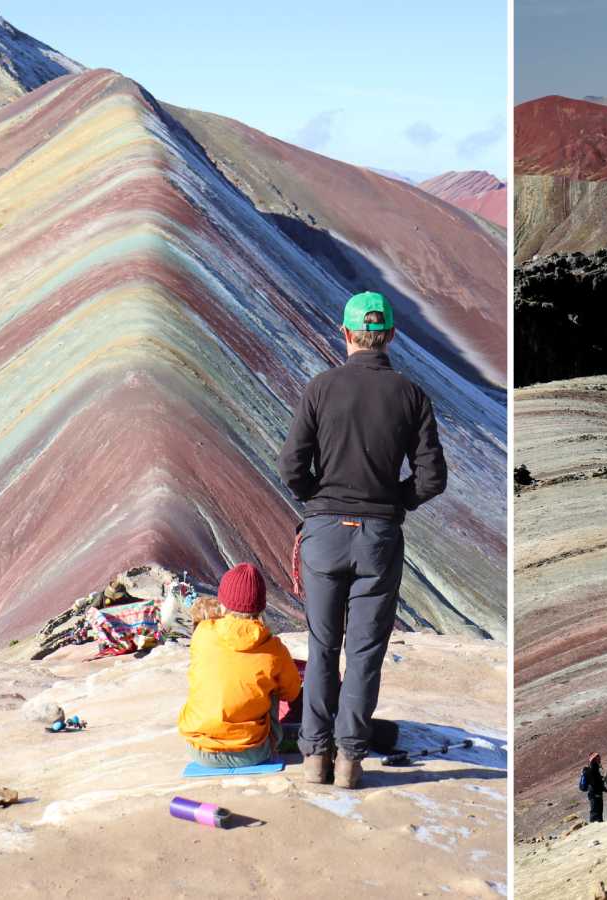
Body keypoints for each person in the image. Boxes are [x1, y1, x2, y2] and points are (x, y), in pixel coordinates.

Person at [278, 291, 447, 790]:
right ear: (391, 335)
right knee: (366, 650)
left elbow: (291, 467)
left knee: (323, 644)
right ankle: (351, 762)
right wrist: (393, 503)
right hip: (379, 537)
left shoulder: (321, 388)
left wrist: (320, 499)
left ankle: (314, 759)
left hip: (324, 533)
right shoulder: (412, 395)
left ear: (346, 333)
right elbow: (431, 478)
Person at [178, 564, 302, 768]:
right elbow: (292, 692)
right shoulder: (274, 648)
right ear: (261, 607)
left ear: (223, 604)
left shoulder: (202, 633)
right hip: (253, 752)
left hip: (199, 750)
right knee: (271, 687)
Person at [579, 753, 606, 823]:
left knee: (598, 812)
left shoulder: (596, 769)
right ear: (594, 759)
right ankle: (594, 825)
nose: (599, 760)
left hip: (596, 793)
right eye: (598, 758)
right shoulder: (591, 770)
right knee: (595, 812)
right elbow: (594, 782)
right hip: (594, 794)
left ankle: (598, 824)